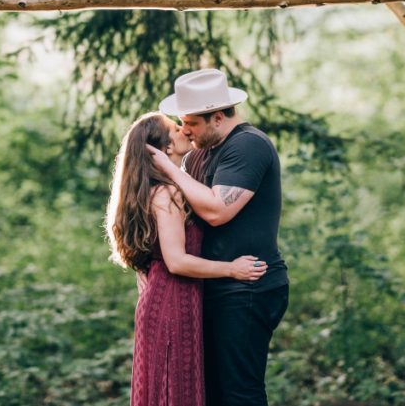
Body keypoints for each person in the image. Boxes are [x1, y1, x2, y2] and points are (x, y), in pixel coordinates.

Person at [106, 112, 269, 406]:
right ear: (165, 148)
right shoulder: (166, 193)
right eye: (175, 128)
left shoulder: (169, 185)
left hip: (175, 298)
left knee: (170, 389)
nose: (184, 130)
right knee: (173, 389)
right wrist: (232, 269)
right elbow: (177, 261)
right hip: (172, 302)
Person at [149, 68, 289, 406]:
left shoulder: (248, 145)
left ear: (216, 117)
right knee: (211, 393)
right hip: (214, 286)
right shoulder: (199, 154)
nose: (184, 130)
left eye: (191, 123)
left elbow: (216, 211)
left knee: (239, 393)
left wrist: (169, 168)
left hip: (249, 287)